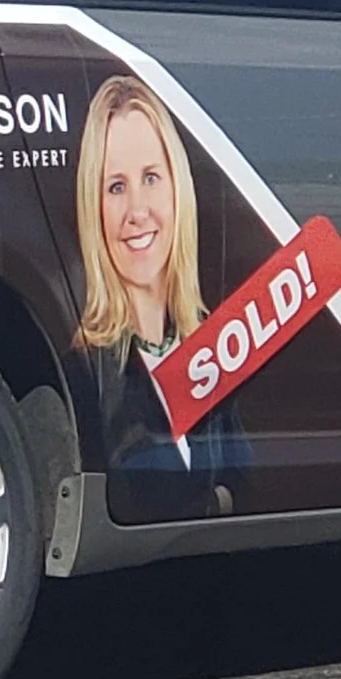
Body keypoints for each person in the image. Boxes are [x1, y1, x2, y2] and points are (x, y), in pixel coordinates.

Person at [70, 75, 251, 522]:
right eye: (115, 187)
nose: (137, 210)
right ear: (92, 208)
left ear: (177, 188)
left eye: (151, 178)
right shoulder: (84, 370)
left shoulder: (216, 345)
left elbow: (247, 486)